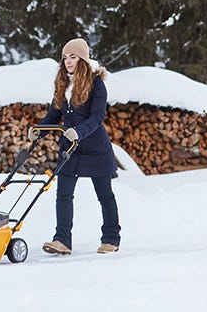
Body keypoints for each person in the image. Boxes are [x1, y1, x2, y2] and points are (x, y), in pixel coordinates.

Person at [29, 38, 121, 255]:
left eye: (73, 57)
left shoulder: (96, 83)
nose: (68, 61)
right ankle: (62, 240)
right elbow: (54, 114)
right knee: (63, 194)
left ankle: (111, 238)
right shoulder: (63, 83)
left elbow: (97, 117)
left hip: (95, 148)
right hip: (70, 149)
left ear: (83, 58)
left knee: (105, 194)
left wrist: (79, 131)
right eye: (65, 57)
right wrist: (39, 130)